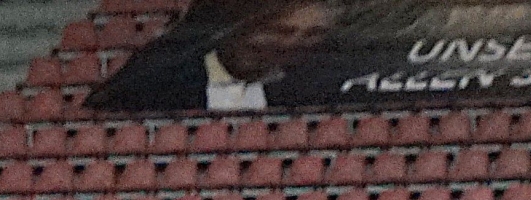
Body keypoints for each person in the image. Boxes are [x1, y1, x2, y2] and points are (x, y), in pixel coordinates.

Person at [89, 0, 342, 113]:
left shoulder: (316, 88)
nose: (291, 44)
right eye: (278, 32)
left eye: (313, 34)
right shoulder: (161, 83)